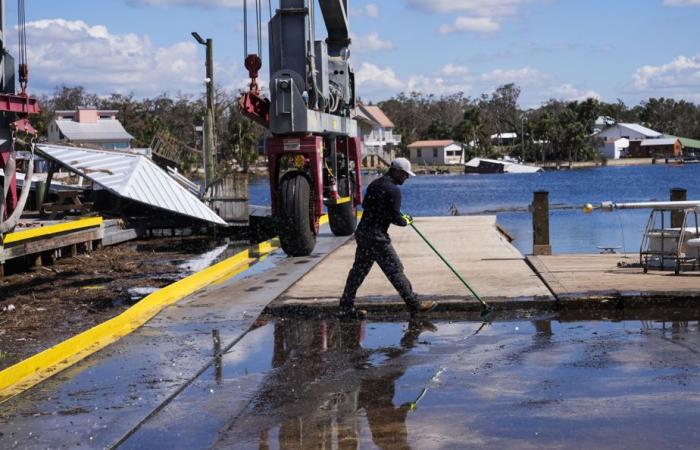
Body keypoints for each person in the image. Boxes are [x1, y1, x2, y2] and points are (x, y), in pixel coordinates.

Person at [339, 157, 437, 319]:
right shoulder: (393, 190)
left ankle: (345, 307)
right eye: (405, 175)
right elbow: (395, 218)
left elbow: (366, 206)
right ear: (397, 171)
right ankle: (414, 306)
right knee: (395, 270)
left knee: (358, 271)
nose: (406, 178)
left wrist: (388, 213)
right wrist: (406, 220)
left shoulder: (374, 185)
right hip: (377, 237)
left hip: (363, 233)